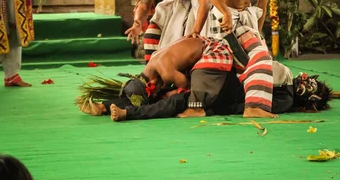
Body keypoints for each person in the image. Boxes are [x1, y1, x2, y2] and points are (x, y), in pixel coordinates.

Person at [77, 36, 333, 122]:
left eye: (310, 86)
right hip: (217, 76)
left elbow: (242, 103)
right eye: (309, 81)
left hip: (217, 77)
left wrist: (203, 104)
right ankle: (121, 108)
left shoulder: (286, 96)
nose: (305, 80)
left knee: (181, 100)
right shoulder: (284, 84)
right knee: (183, 100)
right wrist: (202, 103)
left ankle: (116, 107)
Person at [202, 0, 281, 119]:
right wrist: (226, 12)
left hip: (246, 22)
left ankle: (247, 100)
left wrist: (258, 34)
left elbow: (262, 8)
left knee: (257, 54)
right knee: (260, 56)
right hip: (225, 20)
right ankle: (254, 106)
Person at [78, 34, 234, 119]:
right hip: (200, 50)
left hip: (214, 52)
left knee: (178, 98)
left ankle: (127, 112)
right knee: (160, 96)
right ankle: (102, 106)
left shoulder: (165, 71)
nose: (158, 87)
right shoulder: (156, 62)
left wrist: (171, 92)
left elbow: (190, 88)